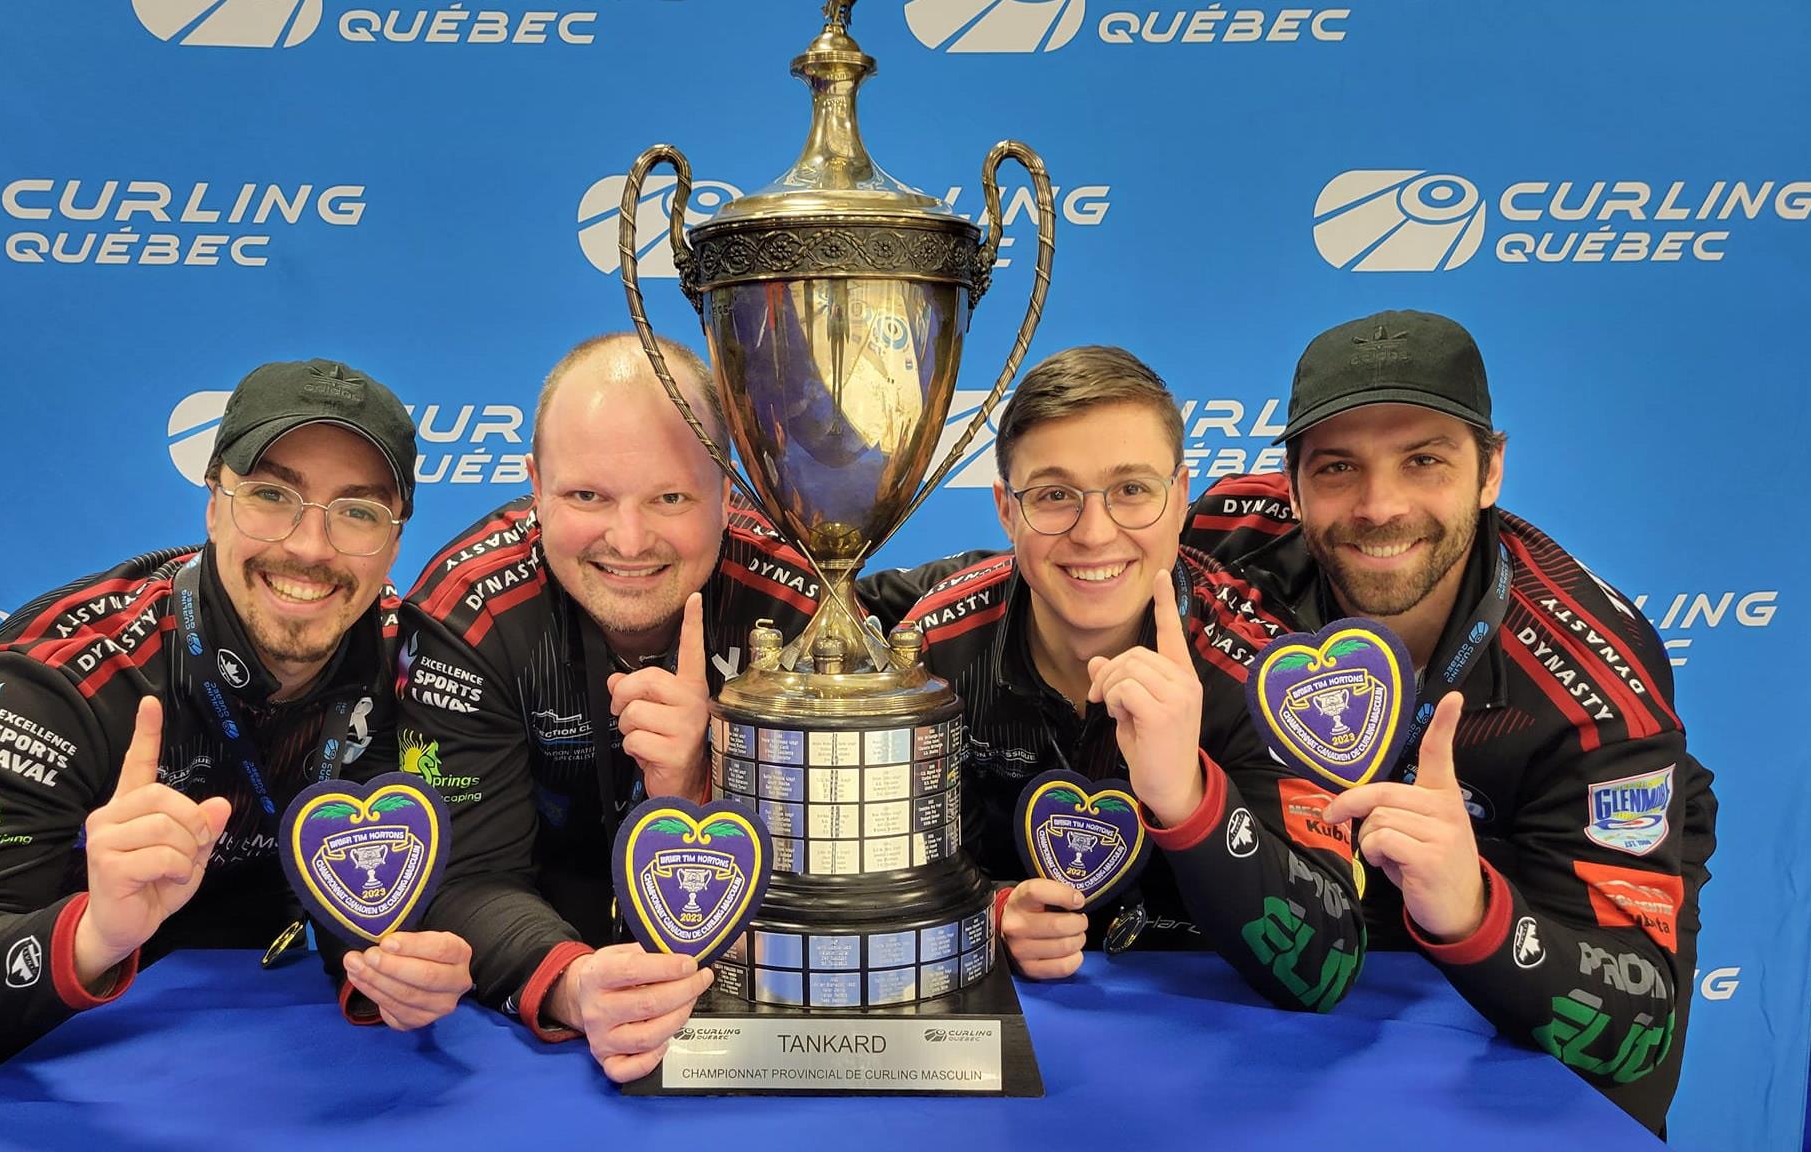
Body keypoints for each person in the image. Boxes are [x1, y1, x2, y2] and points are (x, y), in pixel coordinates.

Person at [0, 359, 473, 1120]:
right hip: (51, 1103)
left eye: (356, 512)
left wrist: (404, 964)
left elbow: (412, 913)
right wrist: (93, 931)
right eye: (271, 496)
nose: (311, 547)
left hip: (300, 1090)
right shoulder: (63, 673)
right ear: (214, 504)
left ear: (393, 543)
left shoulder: (413, 663)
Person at [1182, 310, 1716, 1132]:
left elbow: (1636, 1030)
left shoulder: (1593, 685)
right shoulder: (1231, 537)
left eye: (1424, 460)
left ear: (1490, 470)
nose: (1379, 505)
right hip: (1315, 954)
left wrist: (1470, 906)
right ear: (1292, 481)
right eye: (1337, 468)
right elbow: (1043, 576)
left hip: (1529, 942)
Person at [857, 345, 1366, 1010]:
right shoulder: (932, 652)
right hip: (1002, 1041)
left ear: (1180, 498)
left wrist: (1189, 799)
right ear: (1007, 511)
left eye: (1131, 490)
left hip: (1204, 1045)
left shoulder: (1269, 674)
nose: (1094, 533)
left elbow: (1325, 968)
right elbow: (856, 881)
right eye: (1054, 495)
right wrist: (984, 916)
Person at [397, 334, 820, 1082]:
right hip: (546, 959)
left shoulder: (801, 608)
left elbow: (848, 868)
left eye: (670, 497)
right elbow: (463, 874)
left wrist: (710, 781)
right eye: (586, 496)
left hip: (765, 1007)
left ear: (728, 491)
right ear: (534, 485)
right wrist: (570, 983)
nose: (628, 541)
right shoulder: (468, 614)